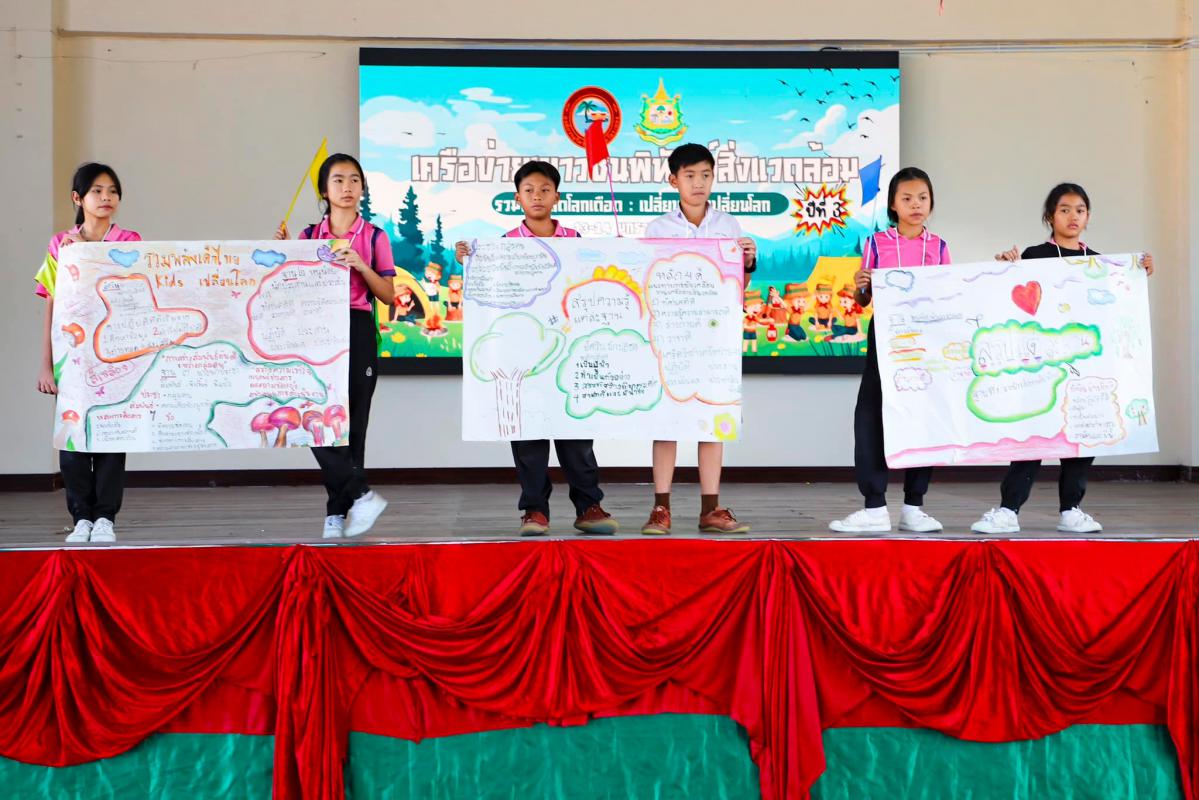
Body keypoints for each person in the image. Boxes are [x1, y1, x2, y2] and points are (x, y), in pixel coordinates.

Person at [972, 182, 1155, 535]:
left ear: (1088, 216)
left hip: (1085, 365)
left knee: (1081, 436)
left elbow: (1115, 305)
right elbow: (1009, 299)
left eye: (1080, 210)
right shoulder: (1034, 255)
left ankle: (1071, 509)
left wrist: (1138, 271)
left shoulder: (1100, 263)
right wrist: (1006, 268)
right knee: (1032, 435)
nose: (1073, 216)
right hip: (1042, 365)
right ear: (1050, 216)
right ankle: (1009, 510)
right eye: (1065, 209)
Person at [455, 160, 617, 537]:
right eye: (529, 190)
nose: (537, 196)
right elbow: (490, 295)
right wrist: (469, 260)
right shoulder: (503, 245)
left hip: (570, 352)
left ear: (557, 196)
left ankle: (589, 506)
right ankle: (534, 510)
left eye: (545, 189)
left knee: (576, 434)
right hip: (523, 355)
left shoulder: (576, 241)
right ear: (517, 198)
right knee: (527, 434)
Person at [640, 143, 757, 535]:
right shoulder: (658, 229)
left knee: (712, 421)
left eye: (706, 175)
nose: (698, 183)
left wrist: (748, 262)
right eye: (689, 175)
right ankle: (661, 508)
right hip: (672, 337)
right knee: (667, 422)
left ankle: (711, 508)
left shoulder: (728, 226)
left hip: (714, 339)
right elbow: (650, 281)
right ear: (673, 180)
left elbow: (738, 285)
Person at [275, 153, 394, 538]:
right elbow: (290, 290)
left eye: (354, 180)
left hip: (357, 327)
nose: (347, 187)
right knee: (313, 417)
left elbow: (388, 295)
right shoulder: (309, 237)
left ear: (363, 188)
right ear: (324, 191)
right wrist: (285, 255)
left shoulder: (374, 236)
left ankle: (338, 513)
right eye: (338, 180)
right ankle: (359, 494)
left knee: (353, 425)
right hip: (315, 330)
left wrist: (361, 264)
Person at [829, 167, 949, 533]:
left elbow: (947, 296)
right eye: (907, 198)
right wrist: (861, 286)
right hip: (884, 336)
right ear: (893, 205)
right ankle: (874, 506)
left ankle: (914, 506)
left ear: (931, 203)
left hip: (925, 340)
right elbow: (863, 299)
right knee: (871, 416)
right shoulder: (876, 243)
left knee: (923, 416)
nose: (916, 205)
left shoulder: (939, 247)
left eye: (923, 198)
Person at [35, 162, 141, 544]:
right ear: (77, 198)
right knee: (73, 436)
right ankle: (81, 517)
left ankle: (106, 517)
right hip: (74, 358)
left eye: (112, 191)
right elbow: (51, 303)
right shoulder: (60, 245)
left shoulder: (129, 240)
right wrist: (46, 364)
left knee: (112, 434)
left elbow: (134, 288)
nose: (106, 197)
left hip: (116, 353)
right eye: (97, 191)